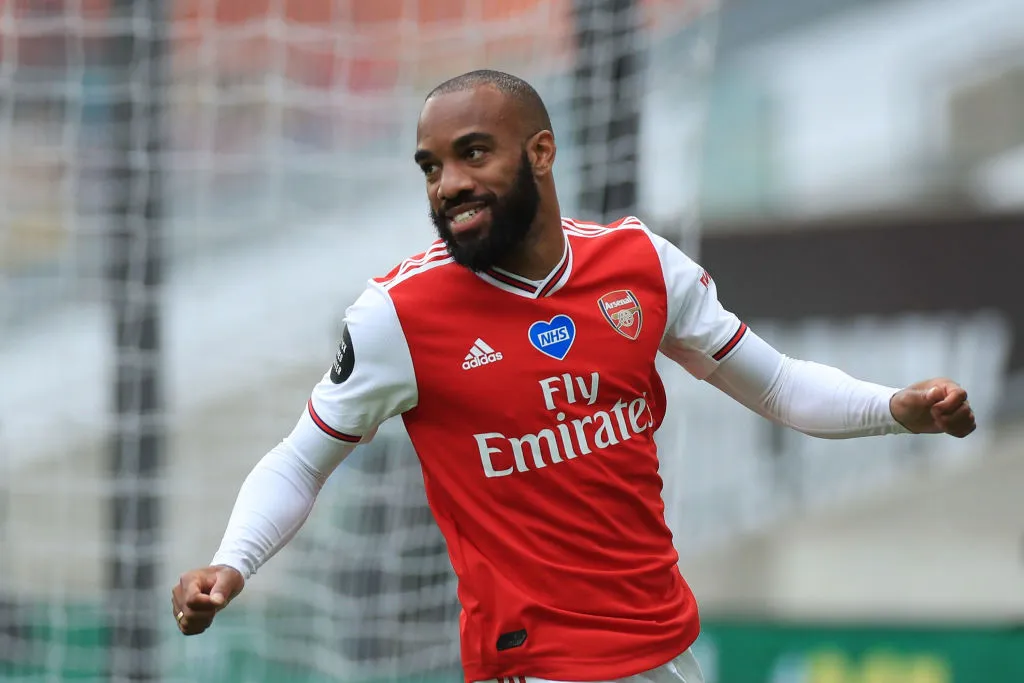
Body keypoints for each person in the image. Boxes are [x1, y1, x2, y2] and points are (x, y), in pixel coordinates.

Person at [171, 70, 976, 683]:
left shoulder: (642, 267)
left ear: (541, 153)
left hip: (667, 649)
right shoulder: (396, 315)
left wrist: (895, 408)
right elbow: (302, 457)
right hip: (537, 664)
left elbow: (778, 386)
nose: (447, 184)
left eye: (472, 153)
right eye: (430, 167)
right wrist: (232, 560)